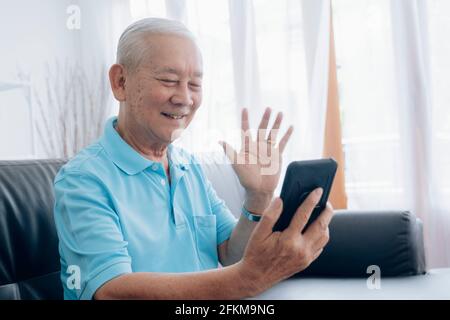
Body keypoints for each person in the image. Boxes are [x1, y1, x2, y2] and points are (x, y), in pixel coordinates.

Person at [53, 17, 333, 300]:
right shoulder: (82, 179)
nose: (184, 98)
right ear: (121, 82)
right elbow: (111, 291)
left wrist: (258, 197)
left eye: (195, 84)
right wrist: (247, 279)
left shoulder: (188, 166)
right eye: (169, 80)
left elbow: (231, 253)